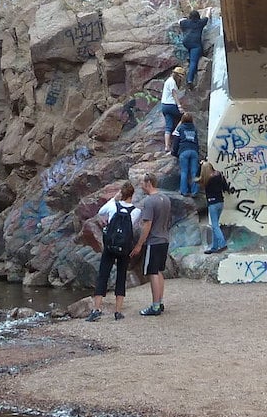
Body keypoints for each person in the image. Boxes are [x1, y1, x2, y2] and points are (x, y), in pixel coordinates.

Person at [86, 182, 141, 322]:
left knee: (103, 275)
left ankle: (97, 309)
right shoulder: (136, 212)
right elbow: (132, 228)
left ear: (121, 193)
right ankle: (117, 311)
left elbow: (100, 213)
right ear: (132, 195)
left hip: (110, 246)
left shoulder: (112, 206)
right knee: (121, 277)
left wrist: (114, 199)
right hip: (124, 249)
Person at [131, 174, 171, 316]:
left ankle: (154, 306)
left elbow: (147, 224)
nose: (141, 185)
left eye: (142, 182)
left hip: (153, 241)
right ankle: (159, 302)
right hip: (164, 239)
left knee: (152, 272)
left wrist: (139, 244)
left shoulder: (149, 201)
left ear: (148, 183)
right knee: (159, 271)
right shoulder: (165, 198)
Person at [200, 160, 230, 254]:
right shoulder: (219, 175)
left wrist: (200, 165)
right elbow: (226, 187)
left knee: (215, 225)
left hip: (212, 203)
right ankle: (214, 247)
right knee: (215, 225)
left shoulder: (206, 179)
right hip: (220, 202)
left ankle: (222, 244)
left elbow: (198, 178)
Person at [172, 111, 200, 196]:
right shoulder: (194, 129)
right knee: (194, 172)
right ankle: (195, 191)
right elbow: (197, 142)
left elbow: (176, 141)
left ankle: (184, 191)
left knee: (184, 171)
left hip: (184, 151)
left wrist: (174, 152)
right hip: (194, 151)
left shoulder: (180, 128)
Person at [159, 67, 186, 152]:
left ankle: (167, 146)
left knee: (168, 126)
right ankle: (176, 131)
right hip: (171, 105)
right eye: (181, 75)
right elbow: (174, 94)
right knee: (185, 116)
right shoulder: (172, 81)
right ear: (177, 75)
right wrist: (179, 106)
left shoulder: (169, 81)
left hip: (164, 106)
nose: (182, 77)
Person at [177, 9, 207, 83]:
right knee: (193, 62)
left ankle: (189, 56)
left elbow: (179, 21)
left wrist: (186, 19)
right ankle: (190, 80)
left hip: (186, 42)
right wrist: (209, 10)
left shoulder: (185, 22)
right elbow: (207, 17)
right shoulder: (200, 23)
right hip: (195, 44)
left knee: (192, 52)